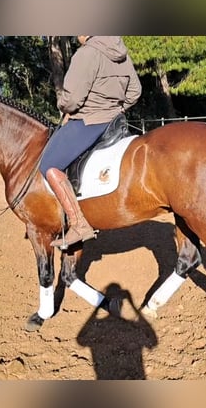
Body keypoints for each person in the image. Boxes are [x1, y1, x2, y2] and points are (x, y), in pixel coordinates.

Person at [40, 36, 142, 249]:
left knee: (48, 163)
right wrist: (117, 109)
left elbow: (73, 99)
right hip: (115, 120)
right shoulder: (121, 53)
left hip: (89, 121)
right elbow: (135, 92)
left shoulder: (86, 53)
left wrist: (64, 106)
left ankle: (78, 223)